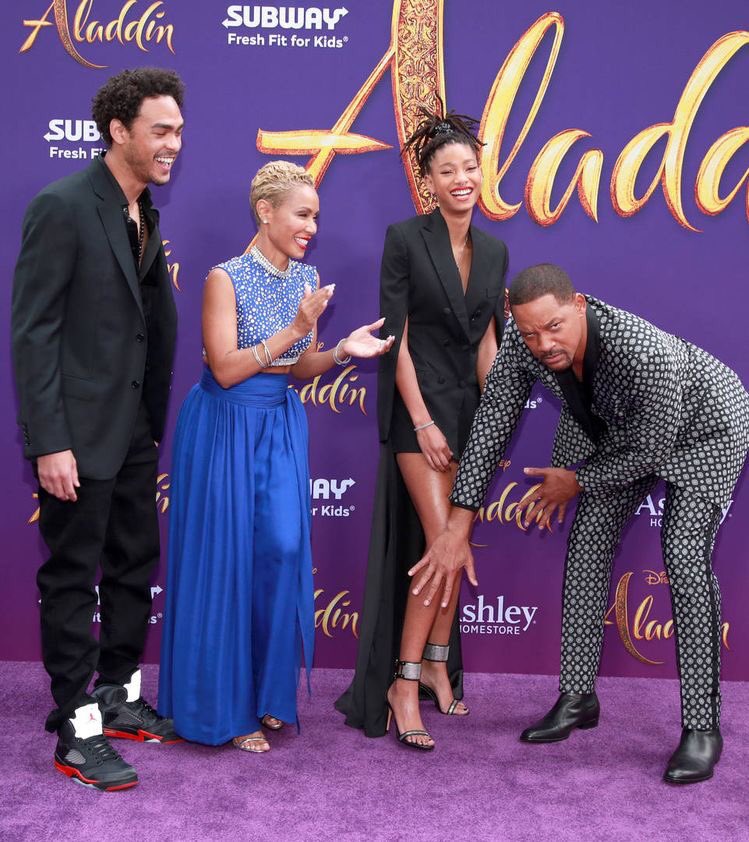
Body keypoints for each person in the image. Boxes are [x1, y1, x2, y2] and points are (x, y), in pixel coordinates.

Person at [412, 263, 749, 782]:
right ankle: (577, 698)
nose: (543, 344)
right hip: (622, 431)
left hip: (706, 428)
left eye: (553, 327)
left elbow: (650, 450)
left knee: (683, 555)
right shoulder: (523, 342)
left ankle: (703, 729)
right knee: (588, 542)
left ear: (579, 305)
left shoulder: (641, 350)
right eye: (530, 332)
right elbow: (492, 425)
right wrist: (458, 524)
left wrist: (577, 480)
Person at [158, 160, 394, 753]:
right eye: (302, 214)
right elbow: (225, 368)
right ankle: (228, 709)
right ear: (266, 212)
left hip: (279, 426)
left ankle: (266, 692)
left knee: (283, 550)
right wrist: (294, 329)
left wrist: (341, 350)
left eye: (316, 216)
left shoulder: (305, 277)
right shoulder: (225, 277)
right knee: (228, 561)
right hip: (224, 426)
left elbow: (300, 368)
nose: (312, 227)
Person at [11, 68, 185, 791]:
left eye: (178, 130)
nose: (174, 143)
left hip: (132, 429)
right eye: (161, 130)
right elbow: (34, 332)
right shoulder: (62, 205)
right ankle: (75, 728)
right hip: (77, 436)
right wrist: (50, 441)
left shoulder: (141, 209)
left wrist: (148, 425)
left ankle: (116, 693)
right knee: (73, 575)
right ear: (119, 130)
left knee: (133, 563)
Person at [335, 105, 508, 749]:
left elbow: (486, 340)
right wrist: (423, 421)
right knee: (442, 546)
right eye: (447, 170)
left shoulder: (495, 251)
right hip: (419, 411)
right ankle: (402, 684)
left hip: (470, 415)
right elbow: (397, 338)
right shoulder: (405, 238)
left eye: (469, 167)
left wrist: (494, 420)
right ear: (429, 181)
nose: (462, 179)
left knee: (455, 549)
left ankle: (436, 663)